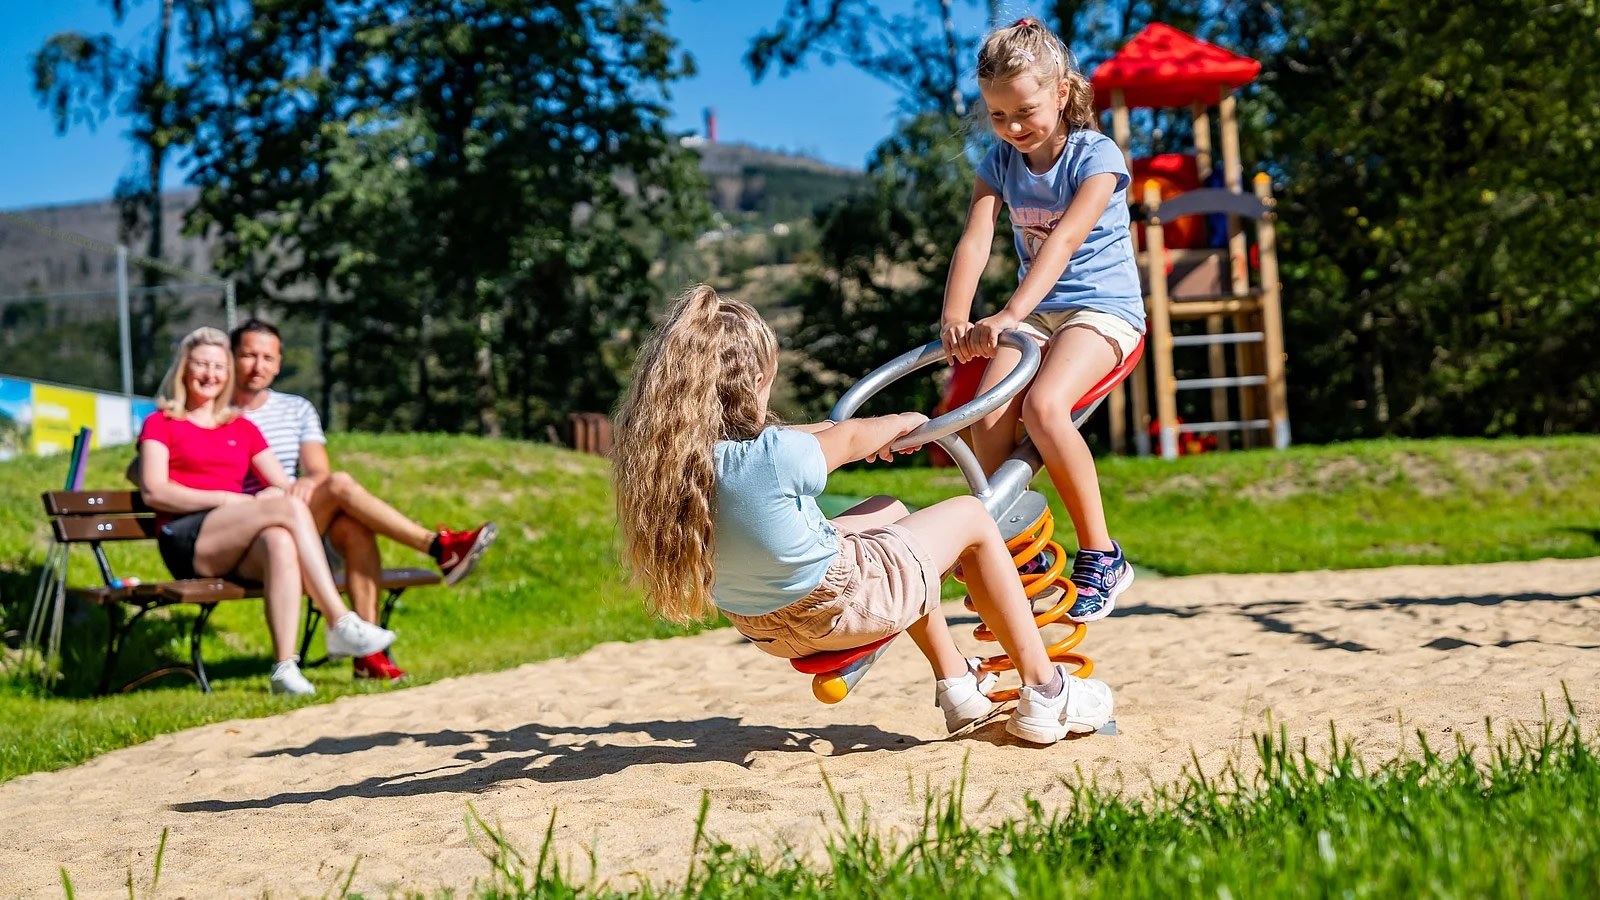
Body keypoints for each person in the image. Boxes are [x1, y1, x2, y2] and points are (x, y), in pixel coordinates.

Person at [612, 285, 1113, 744]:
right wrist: (909, 423)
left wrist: (841, 430)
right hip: (838, 610)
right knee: (970, 518)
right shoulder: (778, 455)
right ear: (759, 380)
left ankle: (958, 682)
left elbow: (816, 435)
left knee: (888, 512)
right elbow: (847, 439)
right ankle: (1046, 691)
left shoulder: (679, 460)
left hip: (764, 626)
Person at [939, 17, 1143, 623]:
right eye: (998, 116)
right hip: (1039, 313)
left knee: (1044, 409)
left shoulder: (1096, 156)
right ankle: (1018, 550)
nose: (1013, 128)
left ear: (1061, 92)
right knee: (988, 416)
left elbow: (1063, 242)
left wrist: (1007, 313)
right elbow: (975, 240)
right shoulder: (1001, 162)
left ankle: (1103, 554)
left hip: (1101, 310)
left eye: (1024, 111)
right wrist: (955, 315)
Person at [229, 319, 498, 682]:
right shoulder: (219, 412)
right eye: (248, 355)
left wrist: (306, 485)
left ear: (278, 363)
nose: (258, 365)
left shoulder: (297, 409)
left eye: (267, 357)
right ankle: (438, 547)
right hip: (247, 529)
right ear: (232, 358)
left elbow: (317, 471)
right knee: (341, 490)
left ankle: (367, 657)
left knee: (352, 526)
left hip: (299, 516)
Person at [136, 327, 396, 695]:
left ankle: (284, 670)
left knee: (279, 541)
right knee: (283, 513)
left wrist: (275, 493)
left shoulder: (240, 427)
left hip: (234, 539)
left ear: (228, 374)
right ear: (183, 370)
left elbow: (284, 486)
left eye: (218, 366)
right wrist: (227, 499)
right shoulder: (161, 423)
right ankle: (339, 621)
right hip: (187, 538)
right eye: (200, 366)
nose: (210, 375)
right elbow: (153, 490)